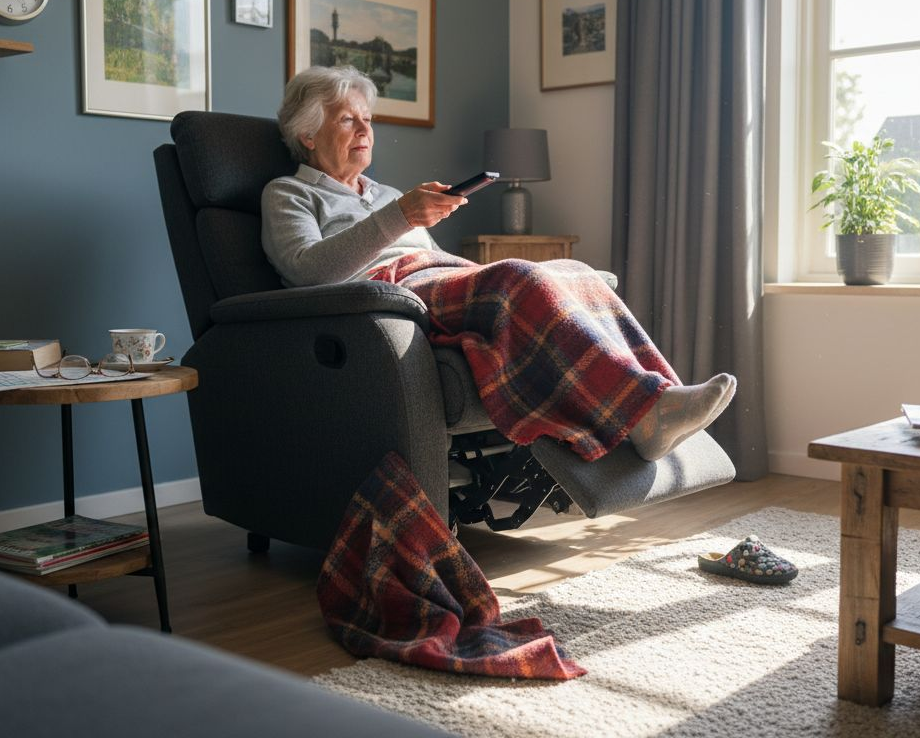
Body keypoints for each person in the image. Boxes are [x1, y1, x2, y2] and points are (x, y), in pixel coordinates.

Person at [262, 65, 735, 463]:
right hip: (385, 294)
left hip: (435, 274)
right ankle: (649, 410)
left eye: (368, 119)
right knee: (519, 274)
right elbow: (308, 270)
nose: (366, 130)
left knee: (578, 273)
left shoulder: (384, 194)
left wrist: (425, 232)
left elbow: (434, 263)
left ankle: (661, 400)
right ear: (307, 133)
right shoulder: (289, 193)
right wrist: (402, 216)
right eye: (347, 120)